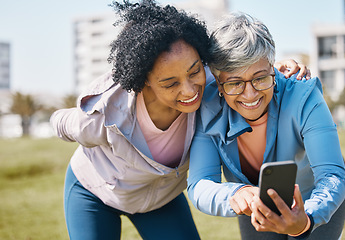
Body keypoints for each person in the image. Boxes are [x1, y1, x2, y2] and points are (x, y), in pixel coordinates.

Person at [51, 1, 309, 239]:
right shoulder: (104, 117)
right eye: (170, 83)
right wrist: (73, 115)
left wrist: (278, 70)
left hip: (161, 200)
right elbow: (61, 122)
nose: (189, 91)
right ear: (144, 82)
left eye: (195, 71)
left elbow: (243, 75)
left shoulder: (210, 87)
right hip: (94, 194)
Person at [187, 12, 345, 240]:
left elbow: (331, 174)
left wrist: (306, 219)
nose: (250, 94)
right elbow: (199, 184)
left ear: (272, 66)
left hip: (314, 198)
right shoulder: (207, 107)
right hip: (254, 204)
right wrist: (237, 193)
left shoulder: (305, 96)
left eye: (260, 78)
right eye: (234, 83)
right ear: (218, 81)